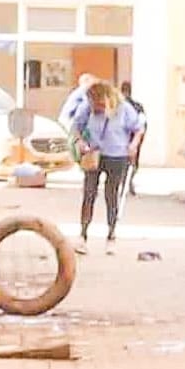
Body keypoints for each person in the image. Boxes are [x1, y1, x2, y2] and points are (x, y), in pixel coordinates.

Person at [68, 80, 143, 253]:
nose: (96, 108)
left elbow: (138, 128)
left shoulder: (123, 108)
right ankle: (83, 235)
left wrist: (133, 145)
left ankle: (111, 235)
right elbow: (76, 127)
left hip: (117, 155)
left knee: (112, 194)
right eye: (94, 104)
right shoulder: (87, 107)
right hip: (93, 154)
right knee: (89, 194)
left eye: (99, 104)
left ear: (107, 99)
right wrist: (80, 142)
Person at [119, 81, 148, 196]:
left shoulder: (117, 105)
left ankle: (124, 182)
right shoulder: (138, 106)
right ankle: (128, 181)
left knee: (121, 162)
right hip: (134, 138)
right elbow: (143, 123)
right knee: (133, 162)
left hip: (121, 138)